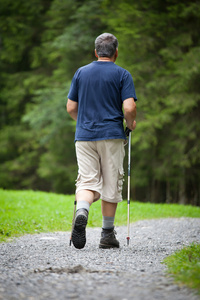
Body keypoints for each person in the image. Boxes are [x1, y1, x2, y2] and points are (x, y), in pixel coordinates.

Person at [67, 33, 137, 249]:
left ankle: (82, 211)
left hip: (85, 136)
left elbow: (70, 107)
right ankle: (107, 235)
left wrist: (84, 123)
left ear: (96, 52)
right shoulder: (122, 74)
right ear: (116, 52)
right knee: (110, 183)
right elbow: (129, 107)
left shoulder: (81, 72)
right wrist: (131, 123)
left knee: (87, 181)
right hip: (112, 136)